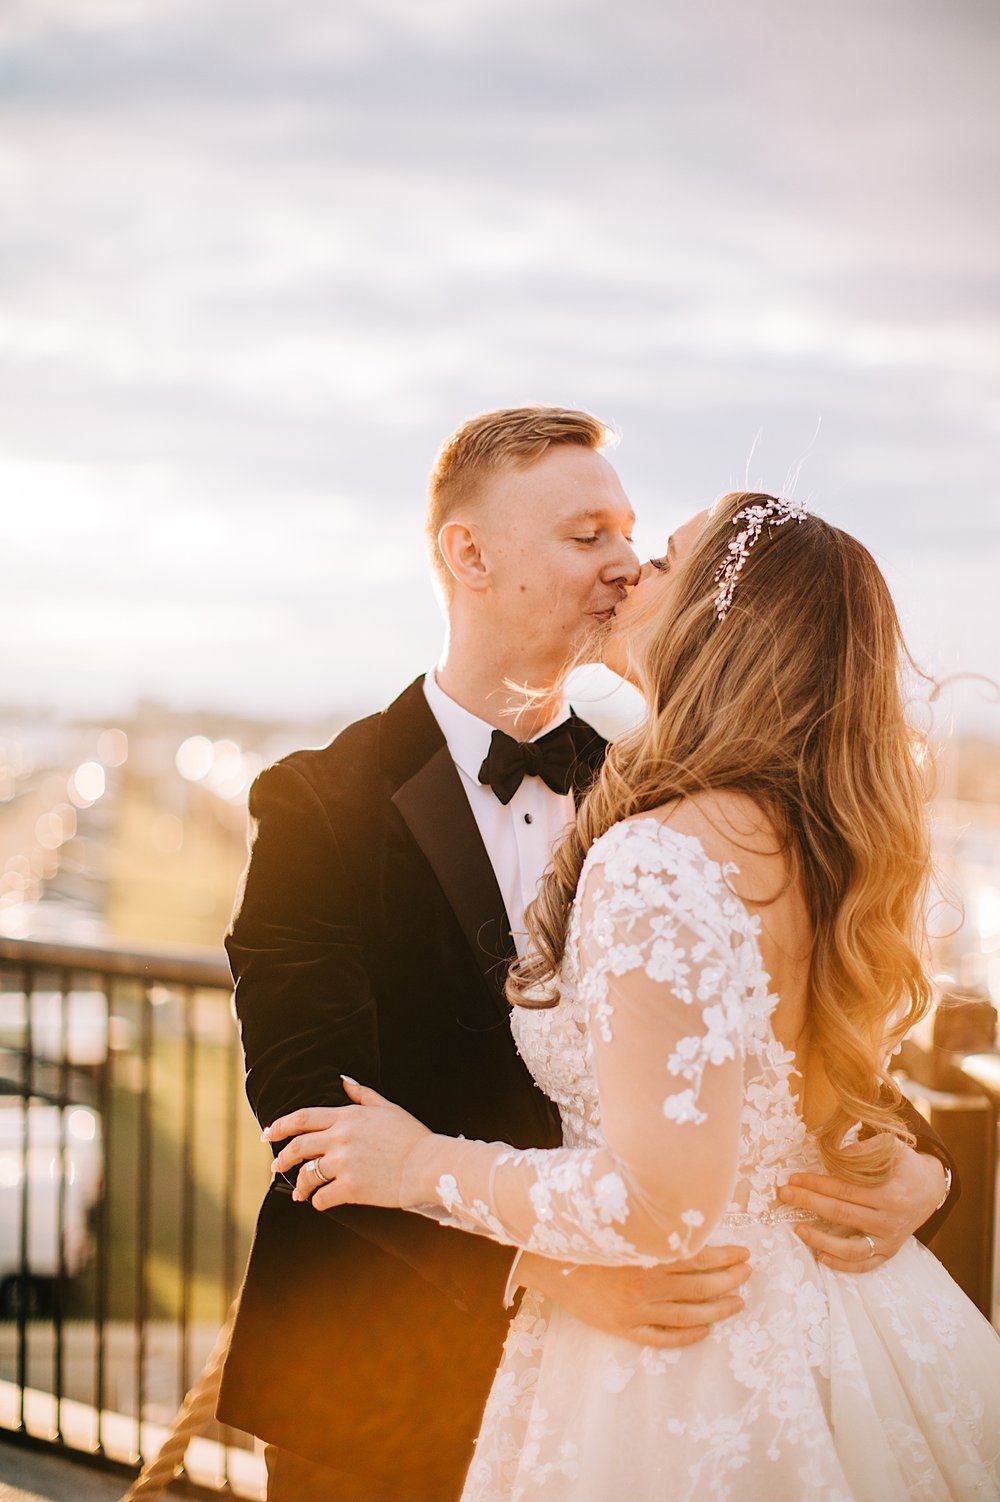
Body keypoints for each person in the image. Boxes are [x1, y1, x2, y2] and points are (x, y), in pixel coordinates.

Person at [222, 413, 957, 1502]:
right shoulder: (317, 803)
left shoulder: (681, 800)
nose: (623, 564)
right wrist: (544, 1270)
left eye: (632, 536)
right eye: (585, 535)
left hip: (664, 1383)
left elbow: (779, 1024)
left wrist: (922, 1164)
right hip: (387, 1375)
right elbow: (312, 1113)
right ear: (467, 554)